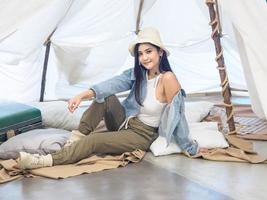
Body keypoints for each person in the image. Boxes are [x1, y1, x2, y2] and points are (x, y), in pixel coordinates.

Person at [17, 27, 207, 169]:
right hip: (125, 121)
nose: (144, 57)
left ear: (160, 52)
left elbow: (178, 116)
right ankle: (74, 141)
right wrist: (82, 95)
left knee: (93, 141)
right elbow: (111, 84)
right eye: (140, 53)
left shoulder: (168, 79)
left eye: (149, 51)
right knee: (105, 97)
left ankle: (44, 161)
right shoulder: (138, 73)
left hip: (141, 135)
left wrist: (190, 148)